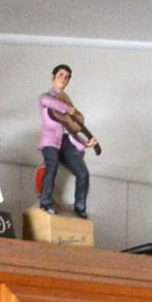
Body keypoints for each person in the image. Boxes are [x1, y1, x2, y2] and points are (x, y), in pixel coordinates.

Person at [38, 63, 99, 218]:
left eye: (67, 77)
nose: (63, 80)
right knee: (51, 168)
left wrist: (86, 143)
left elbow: (72, 128)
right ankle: (46, 202)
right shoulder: (47, 97)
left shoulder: (66, 101)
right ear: (53, 77)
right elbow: (46, 101)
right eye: (60, 75)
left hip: (66, 141)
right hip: (51, 139)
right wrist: (67, 109)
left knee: (83, 172)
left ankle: (80, 207)